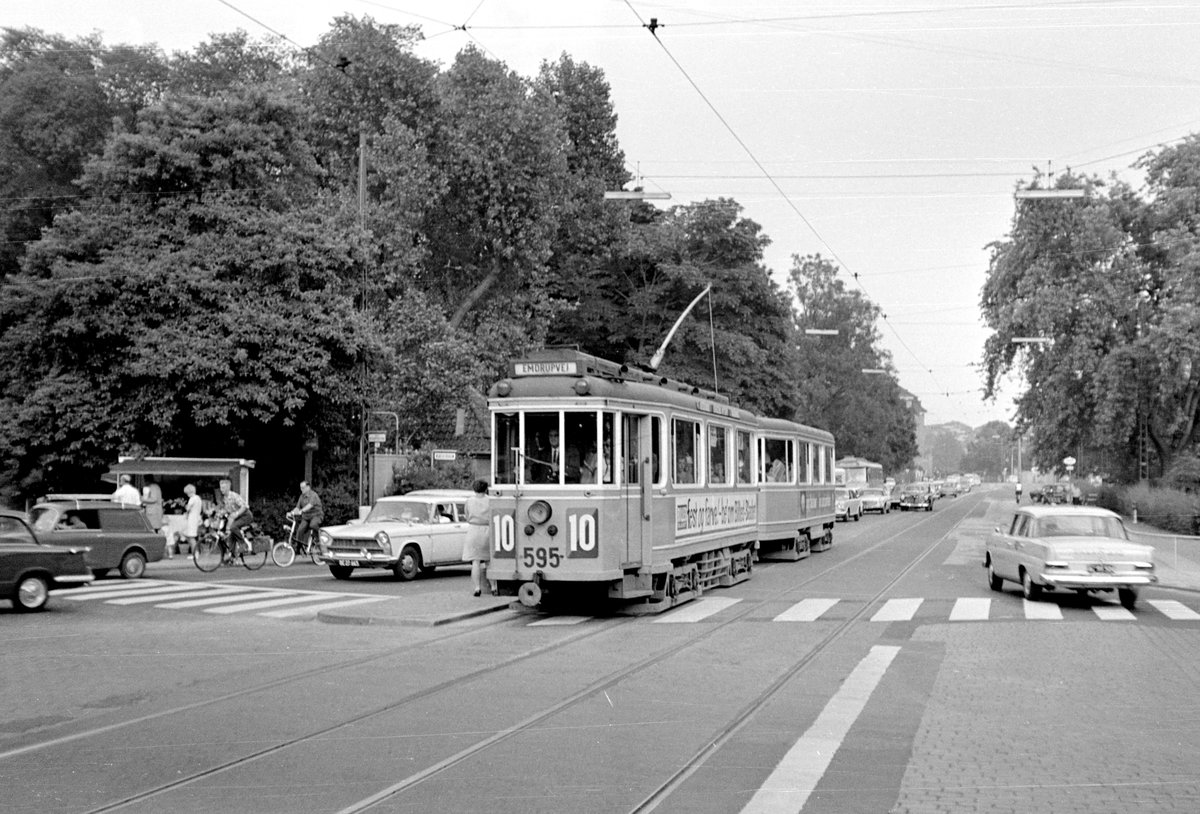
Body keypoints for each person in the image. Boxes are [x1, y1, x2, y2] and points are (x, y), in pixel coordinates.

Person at [462, 479, 492, 597]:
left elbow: (467, 516)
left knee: (476, 561)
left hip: (473, 530)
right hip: (487, 529)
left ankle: (477, 587)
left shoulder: (469, 501)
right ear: (486, 488)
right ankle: (494, 586)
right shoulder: (490, 500)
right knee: (489, 560)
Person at [218, 477, 253, 559]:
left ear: (228, 487)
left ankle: (243, 545)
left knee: (233, 527)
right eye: (221, 487)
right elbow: (228, 509)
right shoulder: (225, 498)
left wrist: (237, 513)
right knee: (231, 536)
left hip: (246, 516)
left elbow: (244, 506)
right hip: (238, 517)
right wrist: (220, 513)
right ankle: (233, 557)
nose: (221, 489)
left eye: (223, 488)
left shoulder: (234, 496)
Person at [286, 481, 324, 551]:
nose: (301, 489)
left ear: (308, 487)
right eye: (300, 488)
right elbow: (297, 507)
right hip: (306, 517)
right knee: (300, 530)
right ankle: (298, 549)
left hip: (316, 515)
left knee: (313, 525)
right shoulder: (301, 496)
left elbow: (310, 505)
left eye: (303, 488)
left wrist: (301, 511)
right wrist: (291, 512)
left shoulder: (313, 495)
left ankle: (320, 538)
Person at [183, 483, 203, 552]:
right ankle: (196, 552)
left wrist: (185, 506)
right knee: (192, 536)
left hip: (192, 519)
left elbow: (188, 508)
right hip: (197, 518)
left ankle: (194, 553)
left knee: (191, 537)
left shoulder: (192, 499)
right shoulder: (198, 498)